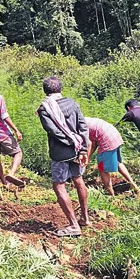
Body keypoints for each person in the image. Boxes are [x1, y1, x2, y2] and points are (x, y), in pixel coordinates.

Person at [37, 76, 89, 237]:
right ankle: (85, 219)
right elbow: (83, 126)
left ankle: (74, 226)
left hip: (60, 152)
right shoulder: (73, 103)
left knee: (59, 185)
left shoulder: (44, 108)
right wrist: (82, 148)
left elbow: (53, 131)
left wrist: (68, 142)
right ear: (61, 89)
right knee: (78, 179)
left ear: (45, 91)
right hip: (77, 148)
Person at [85, 117, 139, 195]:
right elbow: (93, 143)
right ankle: (133, 185)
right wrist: (88, 156)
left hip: (107, 139)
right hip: (114, 135)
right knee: (117, 162)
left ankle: (111, 194)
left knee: (102, 168)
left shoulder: (78, 126)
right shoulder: (83, 119)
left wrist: (87, 157)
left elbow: (91, 144)